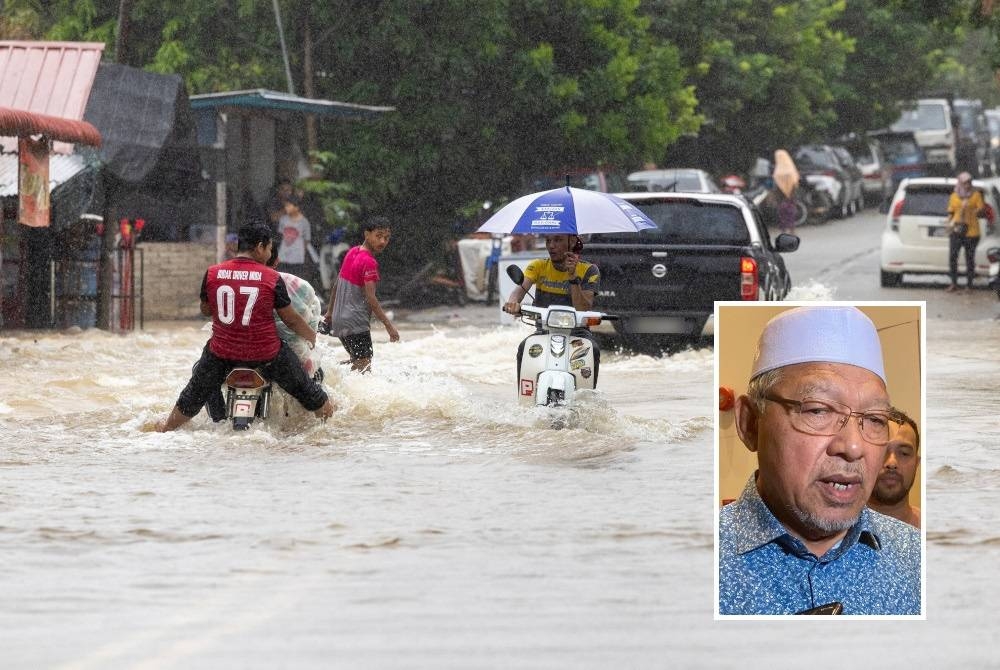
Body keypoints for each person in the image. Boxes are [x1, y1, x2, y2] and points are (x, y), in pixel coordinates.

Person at [719, 306, 921, 615]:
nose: (853, 446)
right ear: (750, 424)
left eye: (875, 419)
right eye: (818, 410)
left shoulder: (918, 559)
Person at [156, 223, 335, 432]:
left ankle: (167, 427)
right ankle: (330, 426)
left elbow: (206, 310)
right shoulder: (272, 278)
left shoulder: (213, 273)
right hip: (266, 355)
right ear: (260, 247)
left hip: (222, 354)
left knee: (195, 392)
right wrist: (311, 337)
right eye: (268, 249)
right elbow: (291, 320)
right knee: (309, 392)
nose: (269, 254)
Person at [204, 235, 325, 422]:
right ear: (275, 259)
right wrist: (312, 338)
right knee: (312, 381)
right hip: (270, 354)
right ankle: (310, 418)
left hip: (229, 354)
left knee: (203, 378)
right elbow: (298, 320)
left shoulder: (227, 278)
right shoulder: (290, 284)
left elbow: (210, 312)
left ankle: (219, 419)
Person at [503, 233, 601, 381]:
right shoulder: (538, 266)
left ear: (572, 241)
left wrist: (573, 276)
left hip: (578, 334)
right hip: (544, 331)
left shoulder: (590, 270)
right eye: (548, 240)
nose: (551, 246)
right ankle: (525, 402)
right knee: (525, 347)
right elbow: (518, 292)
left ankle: (586, 398)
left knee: (592, 350)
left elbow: (583, 308)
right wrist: (512, 302)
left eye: (558, 240)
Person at [319, 216, 400, 373]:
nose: (383, 241)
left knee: (357, 364)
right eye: (378, 236)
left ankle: (328, 373)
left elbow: (336, 284)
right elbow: (371, 298)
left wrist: (329, 313)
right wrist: (389, 326)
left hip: (340, 321)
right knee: (364, 369)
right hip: (355, 323)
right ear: (366, 234)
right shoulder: (369, 262)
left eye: (386, 237)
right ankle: (325, 373)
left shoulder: (352, 252)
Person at [868, 409, 921, 528]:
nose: (892, 462)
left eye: (904, 453)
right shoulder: (836, 533)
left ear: (916, 463)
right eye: (881, 451)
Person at [946, 171, 986, 293]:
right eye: (964, 183)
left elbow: (981, 210)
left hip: (971, 231)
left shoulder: (976, 195)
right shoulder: (954, 196)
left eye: (969, 182)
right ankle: (954, 283)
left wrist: (974, 211)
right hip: (957, 230)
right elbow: (951, 212)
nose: (967, 185)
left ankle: (969, 285)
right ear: (959, 183)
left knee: (969, 258)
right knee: (953, 256)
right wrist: (949, 224)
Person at [276, 194, 319, 278]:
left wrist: (302, 252)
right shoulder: (283, 219)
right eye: (285, 206)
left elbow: (306, 240)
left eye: (289, 206)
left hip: (297, 256)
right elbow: (281, 234)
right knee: (283, 276)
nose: (286, 208)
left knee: (296, 277)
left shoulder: (304, 222)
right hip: (283, 255)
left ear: (296, 207)